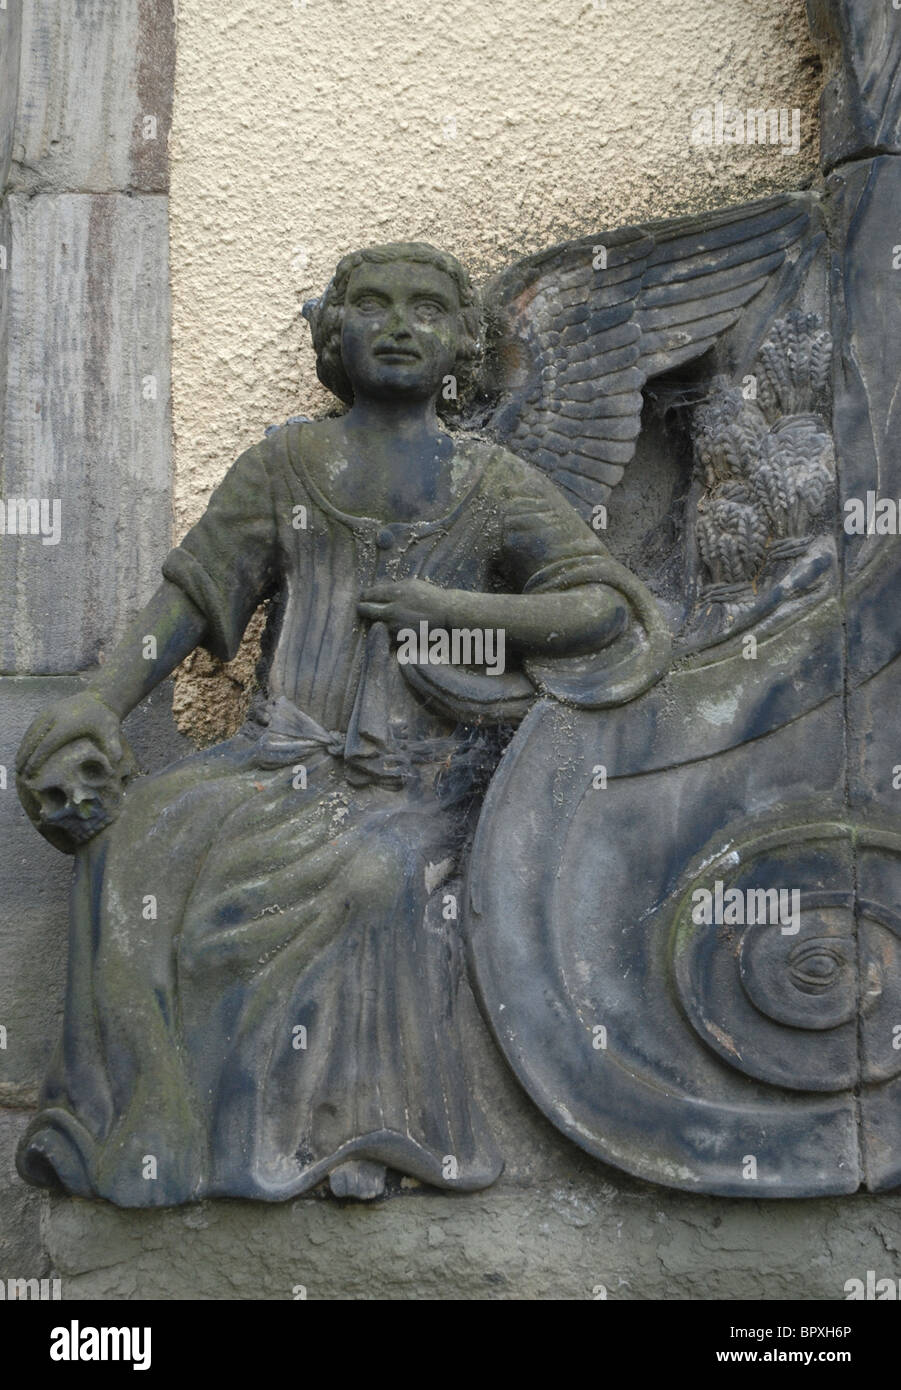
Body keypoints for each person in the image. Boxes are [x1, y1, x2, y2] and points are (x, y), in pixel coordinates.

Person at [15, 242, 654, 1205]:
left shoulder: (491, 481)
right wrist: (98, 703)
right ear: (334, 334)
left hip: (422, 780)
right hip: (276, 761)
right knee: (134, 843)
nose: (399, 326)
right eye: (374, 306)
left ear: (462, 348)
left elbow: (601, 606)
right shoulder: (285, 465)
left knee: (375, 879)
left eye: (428, 310)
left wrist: (464, 612)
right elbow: (188, 599)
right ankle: (151, 1126)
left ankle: (350, 1130)